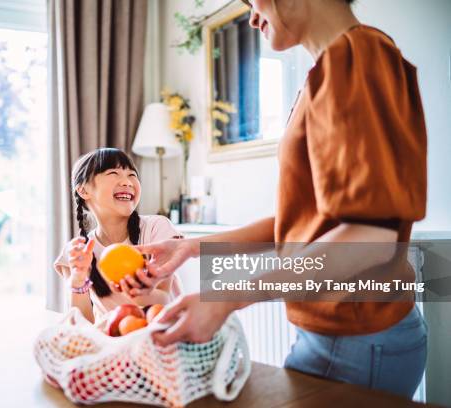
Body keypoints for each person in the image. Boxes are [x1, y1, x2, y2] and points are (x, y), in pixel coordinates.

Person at [130, 0, 428, 398]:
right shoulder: (334, 68)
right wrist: (190, 248)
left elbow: (366, 240)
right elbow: (304, 222)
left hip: (355, 337)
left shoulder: (353, 58)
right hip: (348, 335)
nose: (252, 16)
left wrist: (228, 298)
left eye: (253, 1)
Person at [54, 148, 182, 323]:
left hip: (166, 336)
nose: (127, 182)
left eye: (132, 175)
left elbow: (163, 300)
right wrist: (78, 281)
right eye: (113, 172)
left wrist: (134, 292)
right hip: (114, 343)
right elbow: (82, 327)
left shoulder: (157, 228)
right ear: (83, 190)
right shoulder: (77, 253)